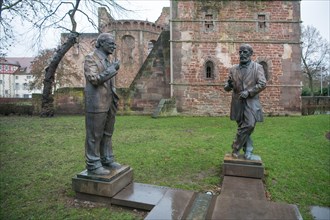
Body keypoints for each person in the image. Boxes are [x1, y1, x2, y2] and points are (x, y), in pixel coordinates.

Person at [84, 33, 121, 175]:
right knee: (94, 135)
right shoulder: (91, 58)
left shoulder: (107, 60)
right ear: (101, 43)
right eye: (111, 43)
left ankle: (107, 158)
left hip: (110, 101)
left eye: (114, 43)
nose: (114, 46)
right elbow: (94, 79)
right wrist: (113, 70)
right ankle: (93, 164)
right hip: (96, 103)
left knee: (107, 133)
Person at [224, 44, 267, 160]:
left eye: (245, 52)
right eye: (240, 52)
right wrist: (228, 85)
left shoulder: (257, 67)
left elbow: (262, 83)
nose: (242, 54)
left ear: (251, 54)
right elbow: (227, 87)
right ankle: (248, 150)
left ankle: (236, 146)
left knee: (249, 125)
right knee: (243, 127)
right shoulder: (233, 69)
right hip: (237, 102)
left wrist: (249, 92)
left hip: (251, 102)